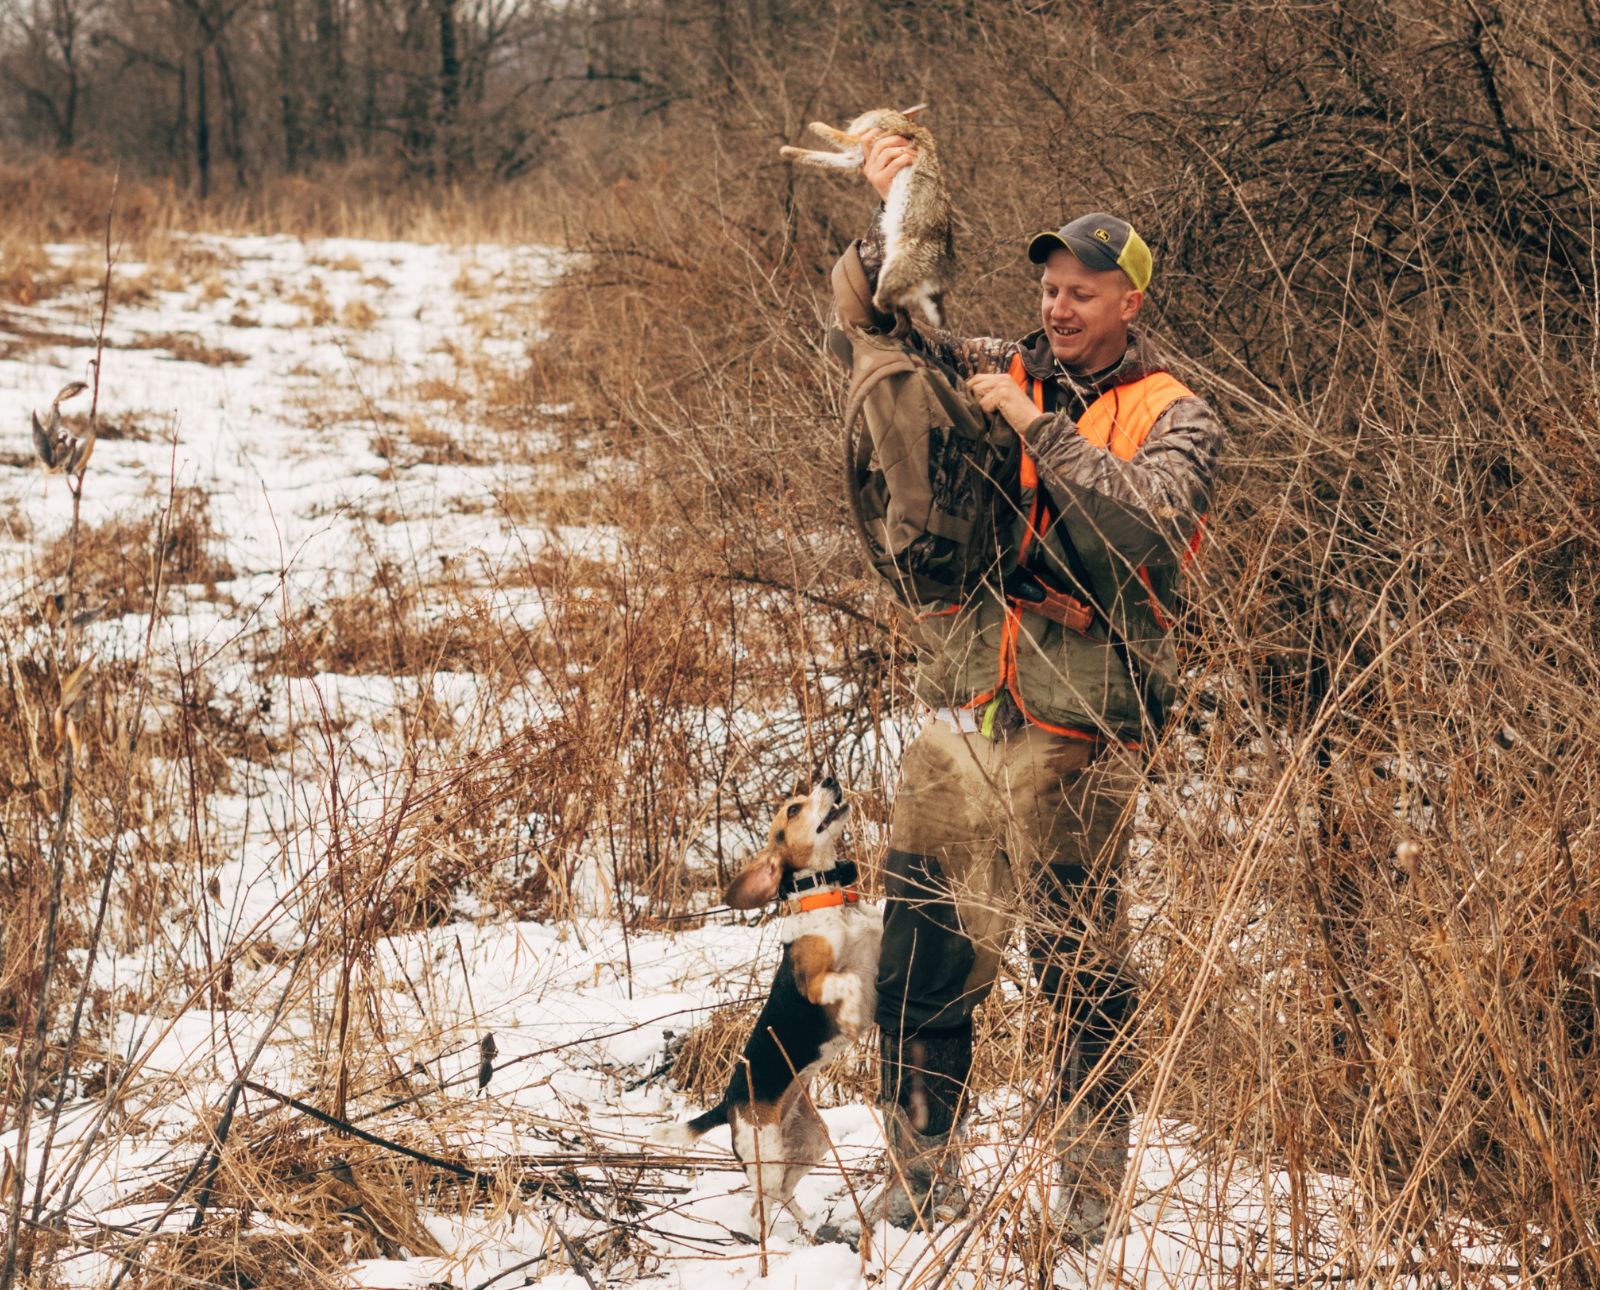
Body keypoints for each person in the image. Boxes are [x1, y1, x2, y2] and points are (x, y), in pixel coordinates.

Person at [828, 130, 1224, 1245]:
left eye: (1081, 294)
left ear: (1128, 306)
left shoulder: (1178, 416)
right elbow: (892, 320)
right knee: (920, 960)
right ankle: (918, 1180)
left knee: (1081, 978)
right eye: (1048, 290)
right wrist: (900, 198)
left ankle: (1090, 1204)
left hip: (1080, 739)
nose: (1057, 309)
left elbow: (1141, 528)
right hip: (964, 722)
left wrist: (1031, 423)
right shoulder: (1004, 359)